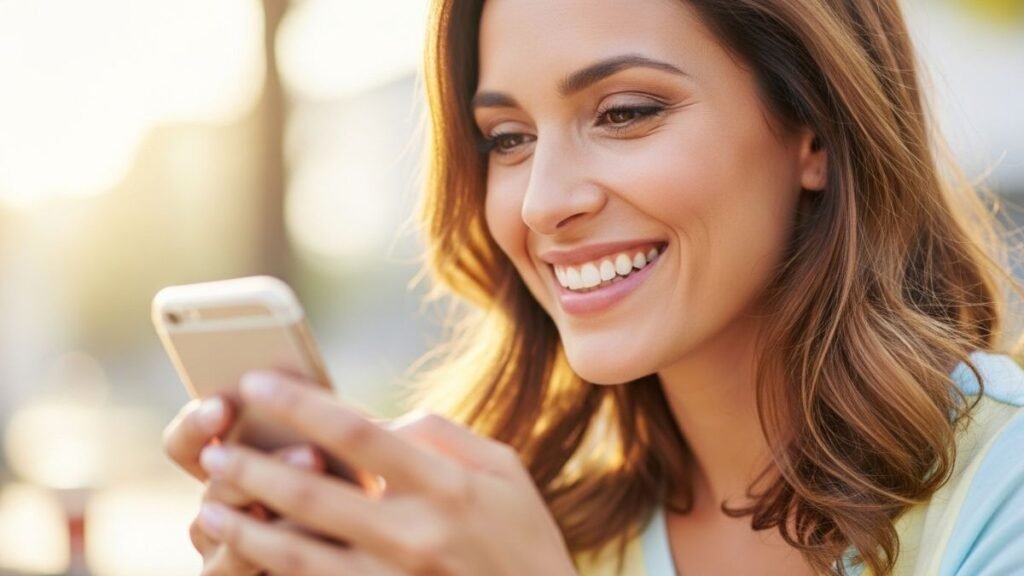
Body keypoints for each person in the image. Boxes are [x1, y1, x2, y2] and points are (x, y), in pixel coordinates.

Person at [162, 0, 1024, 574]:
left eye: (625, 112)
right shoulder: (517, 529)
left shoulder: (1000, 488)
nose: (543, 203)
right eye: (507, 138)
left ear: (814, 131)